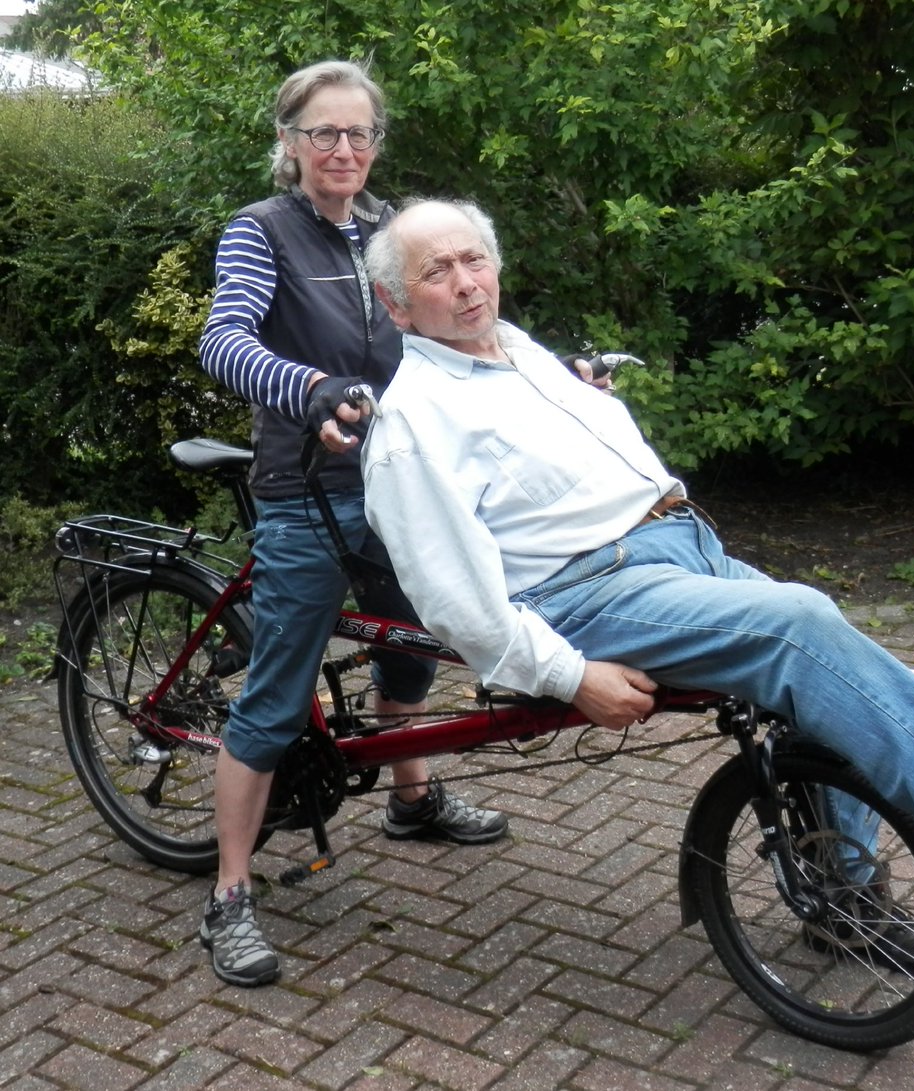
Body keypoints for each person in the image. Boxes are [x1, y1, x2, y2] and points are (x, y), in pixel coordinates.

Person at [358, 196, 914, 914]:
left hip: (676, 550)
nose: (466, 282)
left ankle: (846, 896)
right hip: (587, 595)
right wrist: (569, 676)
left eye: (474, 258)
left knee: (837, 675)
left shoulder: (517, 350)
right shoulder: (412, 423)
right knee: (800, 625)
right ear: (396, 304)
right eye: (437, 271)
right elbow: (453, 599)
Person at [194, 64, 510, 988]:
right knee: (278, 695)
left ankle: (410, 801)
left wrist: (550, 375)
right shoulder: (262, 231)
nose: (343, 151)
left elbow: (452, 321)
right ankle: (230, 892)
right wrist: (314, 388)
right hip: (309, 487)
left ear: (377, 144)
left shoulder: (388, 231)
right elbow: (225, 341)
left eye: (359, 134)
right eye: (323, 134)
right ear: (288, 141)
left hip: (401, 484)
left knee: (415, 642)